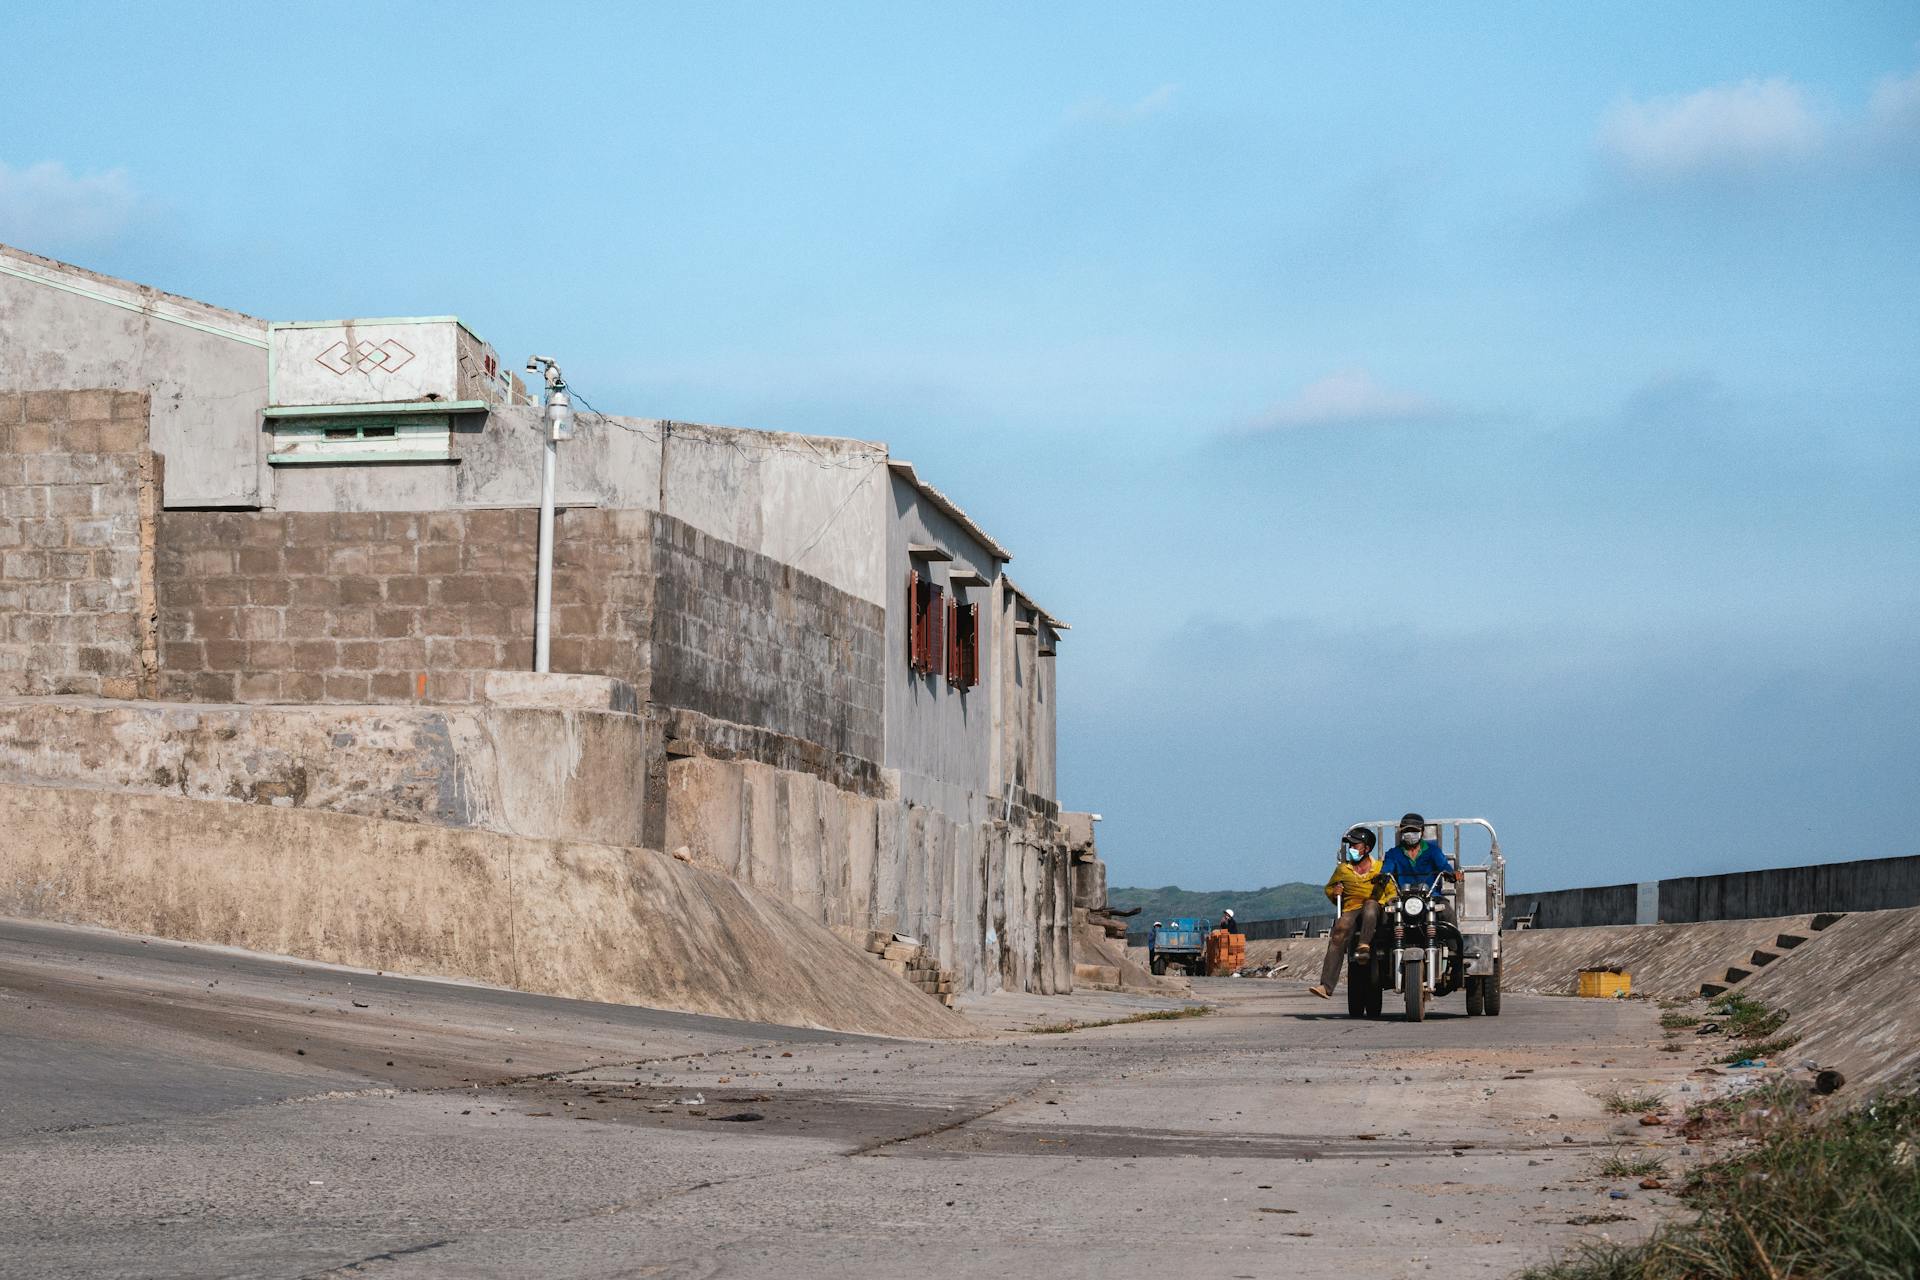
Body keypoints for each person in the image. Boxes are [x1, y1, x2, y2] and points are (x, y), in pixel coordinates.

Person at [1308, 827, 1395, 999]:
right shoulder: (1343, 869)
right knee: (1340, 930)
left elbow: (1392, 891)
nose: (1352, 849)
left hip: (1375, 907)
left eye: (1356, 845)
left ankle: (1364, 946)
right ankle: (1326, 986)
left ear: (1367, 848)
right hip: (1351, 908)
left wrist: (1386, 903)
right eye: (1351, 846)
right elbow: (1329, 888)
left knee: (1370, 906)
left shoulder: (1379, 868)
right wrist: (1335, 892)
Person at [1381, 812, 1458, 927]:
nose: (1410, 834)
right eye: (1407, 831)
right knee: (1385, 916)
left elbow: (1444, 866)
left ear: (1422, 832)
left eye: (1414, 831)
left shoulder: (1433, 851)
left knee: (1447, 912)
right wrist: (1383, 876)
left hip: (1431, 896)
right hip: (1402, 897)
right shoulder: (1393, 853)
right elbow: (1387, 868)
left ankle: (1454, 944)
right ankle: (1382, 944)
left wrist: (1452, 874)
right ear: (1402, 832)